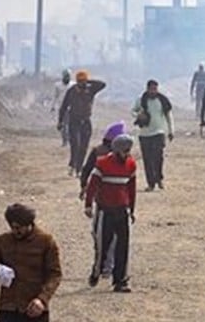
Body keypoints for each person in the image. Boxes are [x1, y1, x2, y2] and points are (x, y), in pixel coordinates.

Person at [0, 203, 62, 322]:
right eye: (13, 227)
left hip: (35, 308)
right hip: (9, 306)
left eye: (19, 227)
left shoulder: (46, 241)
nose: (16, 231)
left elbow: (55, 274)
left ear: (29, 224)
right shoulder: (3, 241)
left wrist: (42, 299)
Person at [84, 134, 137, 292]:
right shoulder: (102, 164)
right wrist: (88, 205)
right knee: (103, 245)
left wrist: (132, 209)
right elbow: (92, 185)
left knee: (122, 246)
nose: (127, 154)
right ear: (116, 150)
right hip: (105, 211)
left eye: (129, 150)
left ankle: (120, 280)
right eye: (125, 151)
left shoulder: (131, 165)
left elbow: (131, 189)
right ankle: (97, 270)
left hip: (122, 210)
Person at [58, 71, 106, 177]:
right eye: (79, 81)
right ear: (77, 81)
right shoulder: (71, 91)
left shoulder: (90, 90)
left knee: (84, 146)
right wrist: (60, 121)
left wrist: (88, 81)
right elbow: (64, 107)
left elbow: (102, 84)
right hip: (74, 121)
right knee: (75, 144)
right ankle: (72, 165)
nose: (81, 83)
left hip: (86, 121)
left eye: (83, 81)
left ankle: (78, 169)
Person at [131, 79, 174, 191]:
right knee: (147, 160)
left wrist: (171, 131)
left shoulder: (162, 100)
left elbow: (169, 115)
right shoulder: (141, 100)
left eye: (155, 89)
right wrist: (138, 115)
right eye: (151, 89)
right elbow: (132, 111)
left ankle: (159, 178)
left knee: (158, 157)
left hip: (158, 133)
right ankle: (151, 183)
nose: (153, 91)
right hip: (144, 134)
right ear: (147, 89)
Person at [52, 70, 71, 149]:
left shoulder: (73, 85)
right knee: (63, 125)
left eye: (68, 76)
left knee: (71, 125)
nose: (67, 78)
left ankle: (70, 141)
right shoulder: (58, 85)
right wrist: (53, 106)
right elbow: (55, 96)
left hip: (72, 108)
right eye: (66, 76)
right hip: (62, 108)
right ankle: (65, 141)